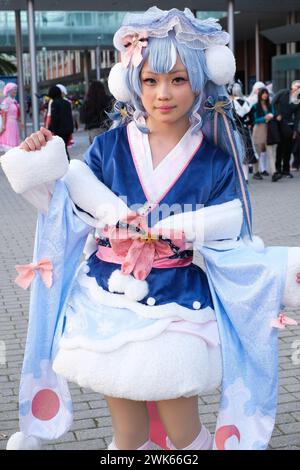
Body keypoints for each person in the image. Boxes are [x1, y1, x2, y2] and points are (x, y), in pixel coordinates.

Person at [1, 7, 300, 452]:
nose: (164, 94)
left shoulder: (215, 160)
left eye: (178, 79)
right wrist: (38, 164)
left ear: (200, 81)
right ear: (133, 84)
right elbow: (65, 211)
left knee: (183, 434)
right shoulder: (108, 147)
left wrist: (278, 272)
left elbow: (230, 246)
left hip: (178, 305)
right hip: (107, 301)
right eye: (151, 80)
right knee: (128, 436)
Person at [229, 81, 258, 183]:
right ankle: (245, 177)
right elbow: (251, 118)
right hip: (245, 129)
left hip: (235, 129)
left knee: (236, 152)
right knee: (246, 152)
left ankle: (238, 177)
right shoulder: (247, 103)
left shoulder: (231, 103)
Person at [252, 88, 282, 182]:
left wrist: (276, 116)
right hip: (258, 129)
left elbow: (274, 114)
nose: (265, 95)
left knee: (270, 152)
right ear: (260, 94)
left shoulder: (270, 105)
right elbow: (254, 120)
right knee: (257, 152)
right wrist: (264, 118)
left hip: (269, 130)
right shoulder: (255, 106)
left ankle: (274, 173)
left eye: (266, 93)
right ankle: (255, 172)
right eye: (263, 93)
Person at [272, 80, 300, 178]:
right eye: (297, 86)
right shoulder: (283, 92)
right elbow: (273, 103)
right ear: (292, 86)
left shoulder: (298, 99)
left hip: (290, 125)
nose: (298, 88)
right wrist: (277, 114)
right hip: (280, 123)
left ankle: (286, 170)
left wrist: (295, 131)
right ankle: (278, 169)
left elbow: (297, 116)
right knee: (280, 148)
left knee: (288, 149)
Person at [45, 85, 74, 161]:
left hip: (60, 130)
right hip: (68, 129)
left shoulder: (54, 103)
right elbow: (70, 116)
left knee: (61, 149)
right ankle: (67, 162)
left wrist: (51, 129)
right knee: (64, 148)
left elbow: (55, 118)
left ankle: (66, 164)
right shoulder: (67, 103)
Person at [0, 82, 21, 153]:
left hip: (14, 124)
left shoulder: (14, 101)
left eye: (16, 89)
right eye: (13, 90)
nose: (15, 91)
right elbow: (3, 113)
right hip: (8, 124)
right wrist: (3, 125)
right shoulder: (6, 101)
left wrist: (20, 122)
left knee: (13, 143)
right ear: (9, 91)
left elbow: (17, 114)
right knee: (9, 143)